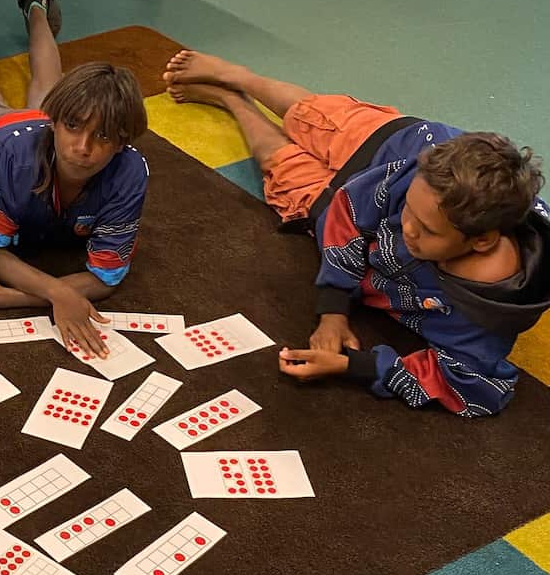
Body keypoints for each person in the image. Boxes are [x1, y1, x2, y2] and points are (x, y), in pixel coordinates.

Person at [164, 50, 550, 415]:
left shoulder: (486, 317)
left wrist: (354, 366)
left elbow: (473, 387)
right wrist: (333, 309)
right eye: (409, 211)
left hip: (348, 225)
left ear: (481, 240)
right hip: (383, 146)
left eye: (426, 230)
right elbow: (352, 210)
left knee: (278, 163)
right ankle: (238, 77)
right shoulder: (427, 178)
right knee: (309, 115)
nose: (407, 228)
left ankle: (232, 102)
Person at [0, 0, 149, 357]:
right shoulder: (17, 160)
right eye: (72, 127)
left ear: (123, 143)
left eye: (103, 136)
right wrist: (57, 292)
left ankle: (36, 4)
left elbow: (106, 276)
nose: (83, 147)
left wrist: (5, 298)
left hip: (44, 133)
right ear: (55, 122)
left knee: (49, 83)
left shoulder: (130, 171)